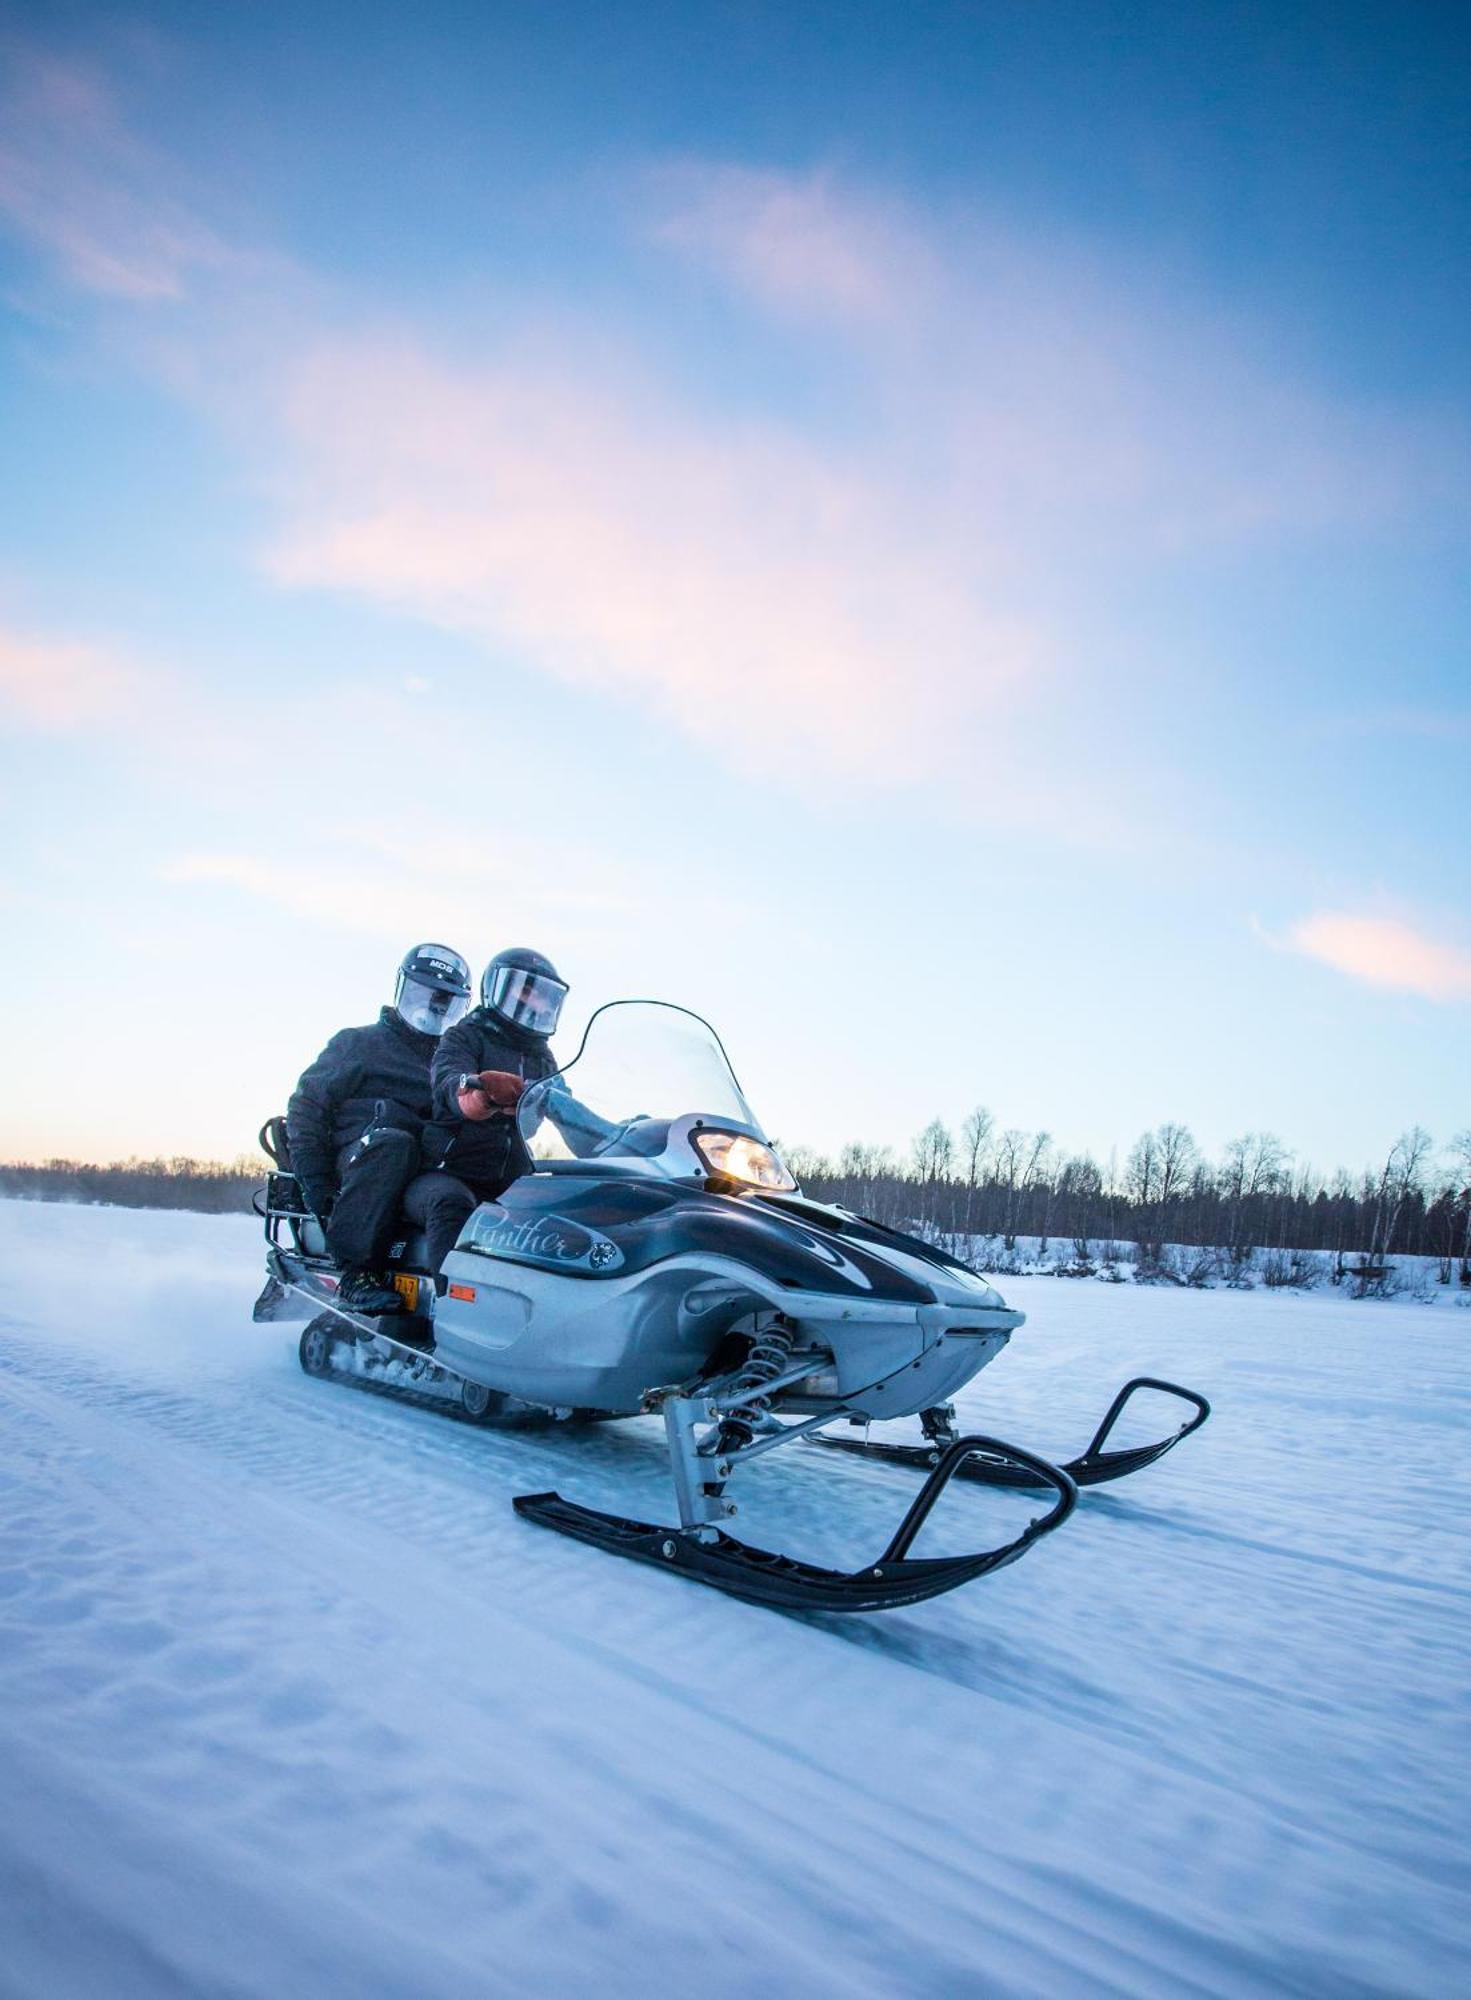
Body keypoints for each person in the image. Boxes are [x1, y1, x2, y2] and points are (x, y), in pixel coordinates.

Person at [287, 943, 472, 1314]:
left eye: (444, 1002)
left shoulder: (451, 1063)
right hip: (362, 1157)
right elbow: (306, 1109)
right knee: (393, 1143)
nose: (432, 1009)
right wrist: (316, 1183)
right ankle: (355, 1273)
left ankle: (460, 1304)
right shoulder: (357, 1044)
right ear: (402, 990)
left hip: (422, 1169)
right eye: (423, 995)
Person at [408, 947, 570, 1277]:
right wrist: (474, 1091)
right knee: (451, 1205)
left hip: (512, 1178)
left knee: (564, 1213)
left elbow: (566, 1105)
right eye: (525, 989)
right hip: (448, 1172)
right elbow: (449, 1078)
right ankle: (447, 1306)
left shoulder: (543, 1059)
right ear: (496, 988)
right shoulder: (466, 1035)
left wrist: (618, 1135)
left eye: (543, 996)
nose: (535, 1002)